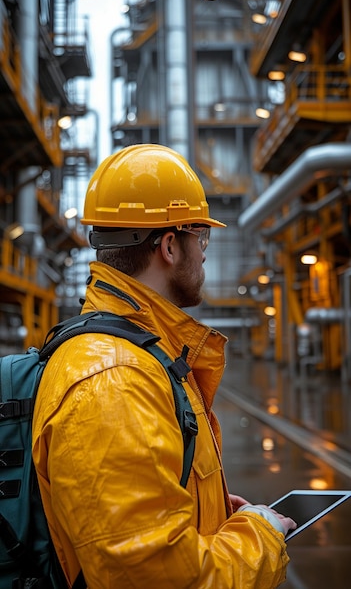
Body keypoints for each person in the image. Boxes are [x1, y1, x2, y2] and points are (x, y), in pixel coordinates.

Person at [32, 144, 296, 588]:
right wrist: (261, 535)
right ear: (170, 246)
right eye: (201, 236)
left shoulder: (142, 354)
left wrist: (203, 505)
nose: (206, 252)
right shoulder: (115, 381)